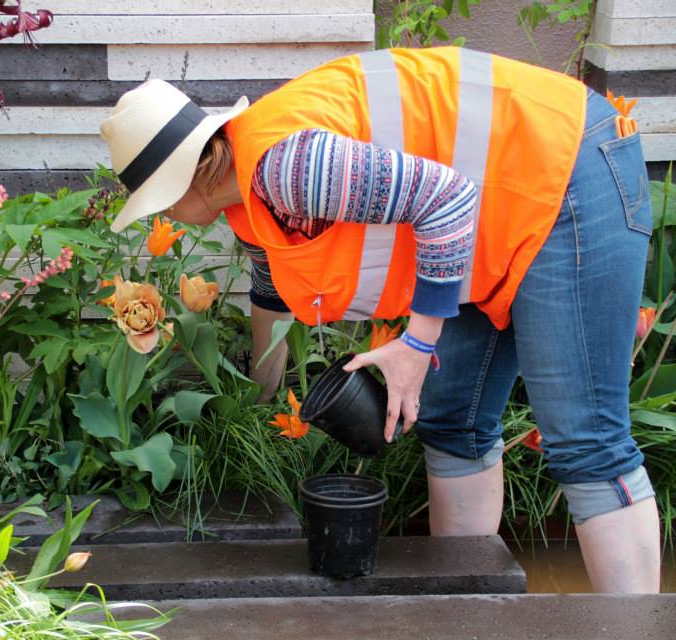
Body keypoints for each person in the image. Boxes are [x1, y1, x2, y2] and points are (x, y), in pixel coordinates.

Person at [99, 47, 661, 593]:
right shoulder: (246, 197)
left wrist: (416, 347)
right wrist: (262, 391)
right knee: (453, 425)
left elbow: (447, 202)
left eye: (157, 200)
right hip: (492, 217)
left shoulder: (287, 168)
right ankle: (466, 612)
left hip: (564, 169)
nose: (163, 214)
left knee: (585, 441)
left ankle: (634, 629)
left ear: (188, 177)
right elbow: (272, 283)